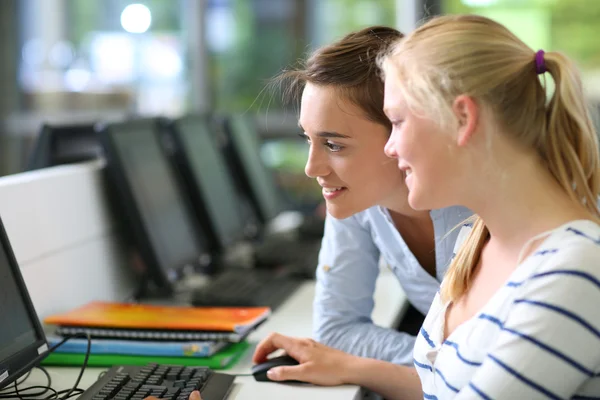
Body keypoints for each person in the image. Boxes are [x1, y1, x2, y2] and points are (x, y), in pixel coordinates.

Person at [253, 14, 600, 399]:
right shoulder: (475, 238)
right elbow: (439, 382)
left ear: (462, 119)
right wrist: (351, 367)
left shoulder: (573, 267)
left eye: (398, 122)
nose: (391, 147)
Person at [280, 25, 471, 366]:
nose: (312, 168)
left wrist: (359, 368)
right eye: (308, 139)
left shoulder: (479, 204)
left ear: (402, 129)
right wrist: (437, 363)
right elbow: (336, 329)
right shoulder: (356, 200)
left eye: (334, 145)